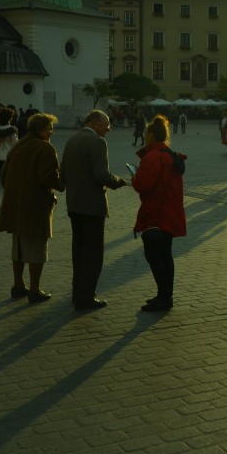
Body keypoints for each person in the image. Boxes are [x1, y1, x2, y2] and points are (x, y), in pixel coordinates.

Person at [61, 110, 129, 311]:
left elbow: (63, 173)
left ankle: (77, 292)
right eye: (106, 124)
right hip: (92, 207)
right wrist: (118, 181)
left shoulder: (71, 140)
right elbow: (101, 175)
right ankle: (86, 297)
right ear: (95, 122)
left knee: (79, 250)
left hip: (74, 205)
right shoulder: (97, 142)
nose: (109, 128)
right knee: (93, 253)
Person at [0, 113, 64, 303]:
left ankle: (18, 285)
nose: (52, 132)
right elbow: (47, 178)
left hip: (15, 206)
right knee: (36, 249)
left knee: (18, 248)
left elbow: (4, 175)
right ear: (40, 129)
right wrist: (62, 183)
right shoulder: (45, 148)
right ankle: (34, 289)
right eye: (50, 128)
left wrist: (15, 193)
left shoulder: (19, 145)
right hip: (35, 206)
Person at [132, 115, 187, 312]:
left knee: (154, 255)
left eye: (146, 133)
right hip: (170, 211)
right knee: (166, 256)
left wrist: (134, 177)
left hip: (156, 212)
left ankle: (163, 298)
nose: (144, 136)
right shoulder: (171, 155)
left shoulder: (152, 157)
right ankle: (165, 296)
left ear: (152, 135)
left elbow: (143, 185)